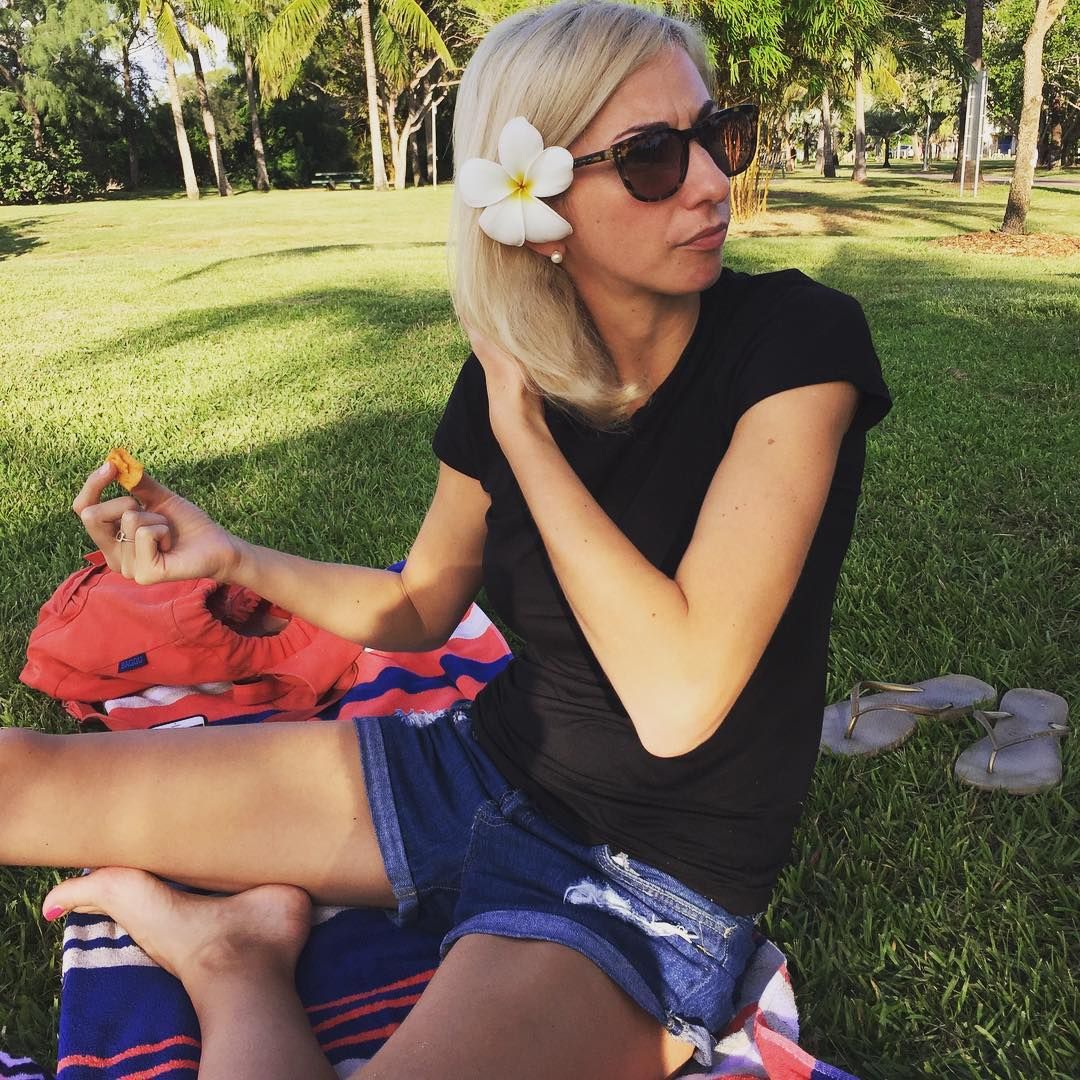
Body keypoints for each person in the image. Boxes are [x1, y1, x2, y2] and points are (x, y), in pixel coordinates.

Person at [1, 2, 891, 1077]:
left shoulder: (796, 344)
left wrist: (525, 433)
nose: (711, 182)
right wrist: (230, 555)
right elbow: (422, 602)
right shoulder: (513, 377)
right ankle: (241, 943)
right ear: (533, 205)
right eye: (654, 156)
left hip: (646, 875)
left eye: (718, 135)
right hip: (479, 766)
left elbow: (678, 698)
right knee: (26, 784)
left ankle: (234, 963)